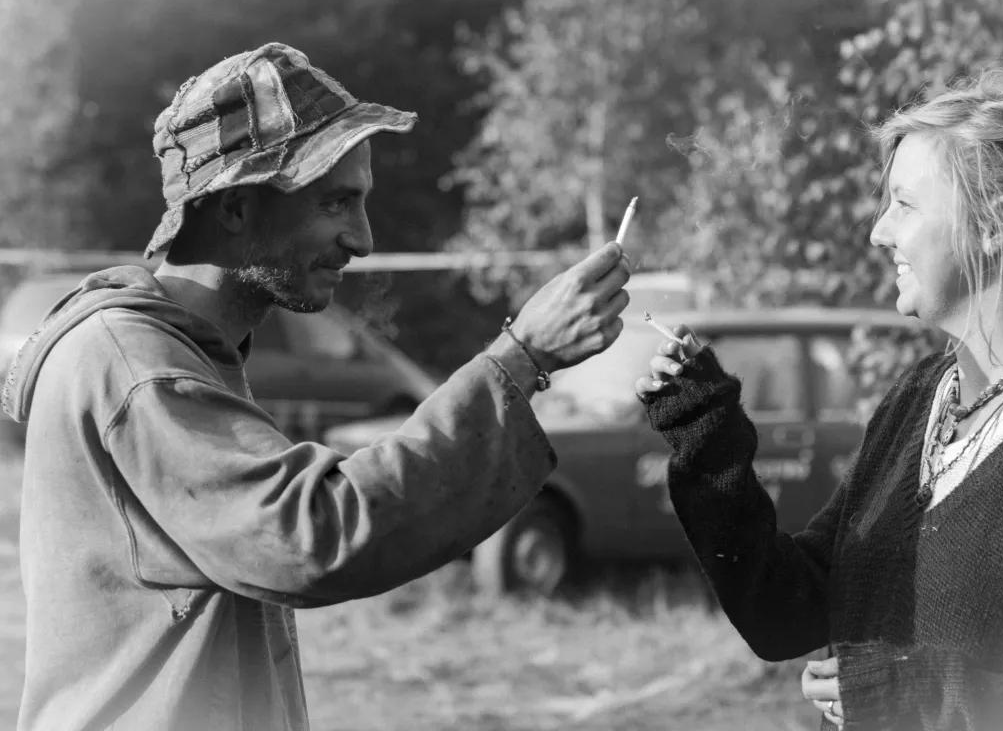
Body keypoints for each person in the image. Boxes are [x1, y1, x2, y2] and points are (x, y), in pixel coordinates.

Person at [1, 42, 631, 731]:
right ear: (236, 207)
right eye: (336, 202)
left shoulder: (180, 354)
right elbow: (313, 535)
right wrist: (518, 361)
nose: (361, 239)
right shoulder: (137, 366)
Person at [637, 65, 1003, 730]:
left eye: (904, 203)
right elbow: (787, 611)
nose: (879, 231)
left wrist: (921, 698)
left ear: (997, 224)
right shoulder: (919, 400)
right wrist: (706, 437)